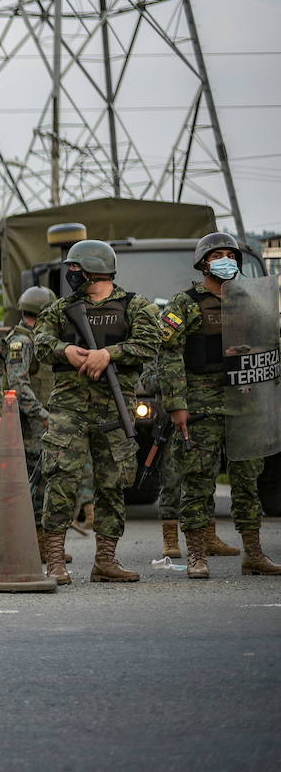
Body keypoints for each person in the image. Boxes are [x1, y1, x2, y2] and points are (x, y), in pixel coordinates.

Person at [34, 239, 160, 584]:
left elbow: (151, 342)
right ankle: (55, 562)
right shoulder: (61, 309)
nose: (70, 274)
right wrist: (66, 351)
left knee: (113, 484)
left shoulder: (135, 306)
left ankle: (105, 560)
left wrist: (109, 354)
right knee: (61, 480)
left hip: (113, 410)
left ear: (93, 271)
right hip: (68, 410)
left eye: (75, 268)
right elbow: (40, 342)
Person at [159, 232, 281, 578]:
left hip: (245, 402)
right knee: (198, 480)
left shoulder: (250, 301)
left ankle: (253, 553)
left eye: (230, 254)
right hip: (201, 404)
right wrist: (176, 405)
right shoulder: (184, 304)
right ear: (203, 263)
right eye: (217, 255)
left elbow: (270, 346)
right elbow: (168, 357)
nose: (225, 259)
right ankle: (198, 555)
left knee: (248, 480)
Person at [5, 285, 57, 562]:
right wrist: (43, 415)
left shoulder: (38, 340)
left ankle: (45, 542)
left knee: (45, 479)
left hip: (43, 419)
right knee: (35, 482)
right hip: (33, 424)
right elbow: (19, 385)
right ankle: (37, 543)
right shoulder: (22, 342)